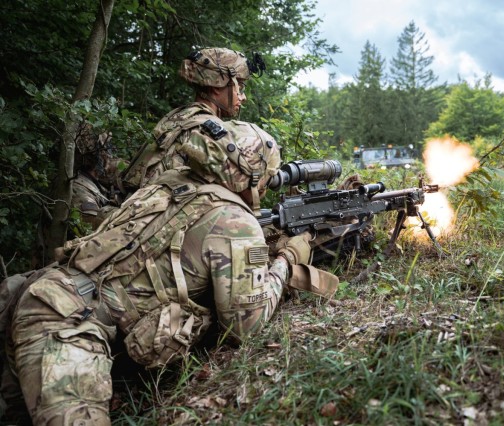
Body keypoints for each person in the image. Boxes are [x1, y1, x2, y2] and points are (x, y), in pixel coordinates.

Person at [2, 115, 338, 424]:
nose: (267, 184)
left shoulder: (169, 183)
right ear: (250, 174)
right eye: (266, 176)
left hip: (37, 294)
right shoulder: (235, 222)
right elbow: (244, 328)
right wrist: (287, 260)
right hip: (66, 326)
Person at [120, 47, 266, 194]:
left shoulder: (179, 116)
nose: (243, 97)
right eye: (239, 88)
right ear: (217, 86)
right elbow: (244, 190)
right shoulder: (209, 130)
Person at [70, 125, 123, 236]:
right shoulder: (77, 188)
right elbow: (91, 229)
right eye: (105, 149)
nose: (109, 156)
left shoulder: (92, 183)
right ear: (97, 155)